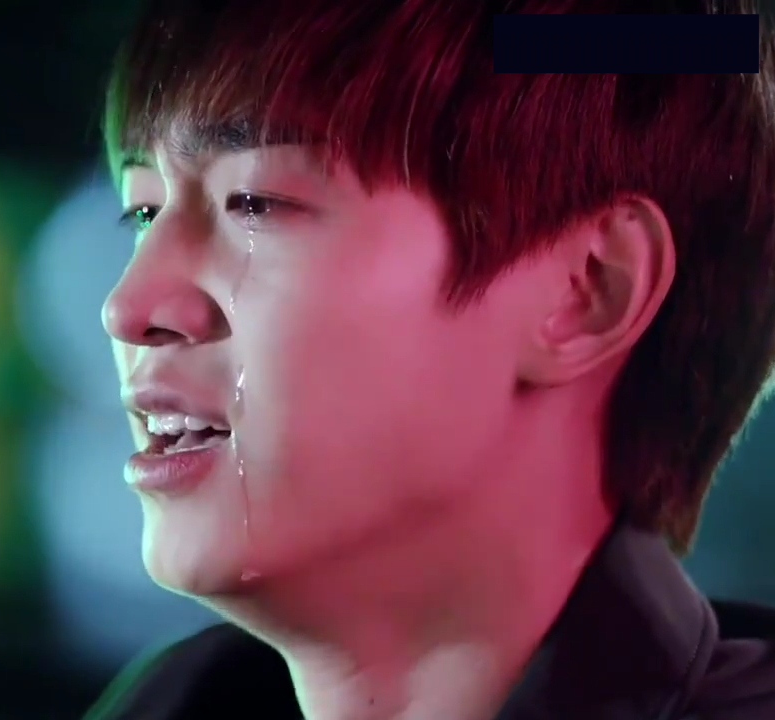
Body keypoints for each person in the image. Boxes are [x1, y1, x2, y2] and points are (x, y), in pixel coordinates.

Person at [86, 1, 775, 718]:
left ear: (587, 290)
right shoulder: (179, 699)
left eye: (255, 202)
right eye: (144, 212)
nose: (126, 307)